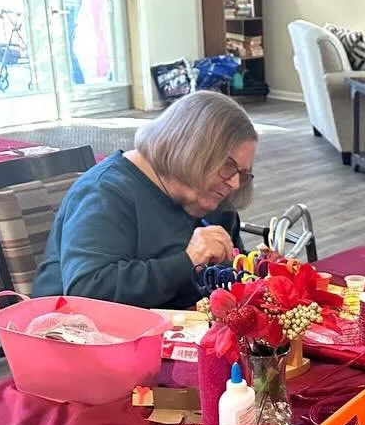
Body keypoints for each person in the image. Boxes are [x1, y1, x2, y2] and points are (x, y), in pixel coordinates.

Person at [31, 91, 255, 309]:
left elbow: (234, 275)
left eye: (243, 174)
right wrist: (188, 261)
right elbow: (88, 292)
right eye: (228, 166)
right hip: (83, 337)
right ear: (190, 150)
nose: (235, 184)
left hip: (181, 333)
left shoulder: (213, 200)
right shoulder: (105, 193)